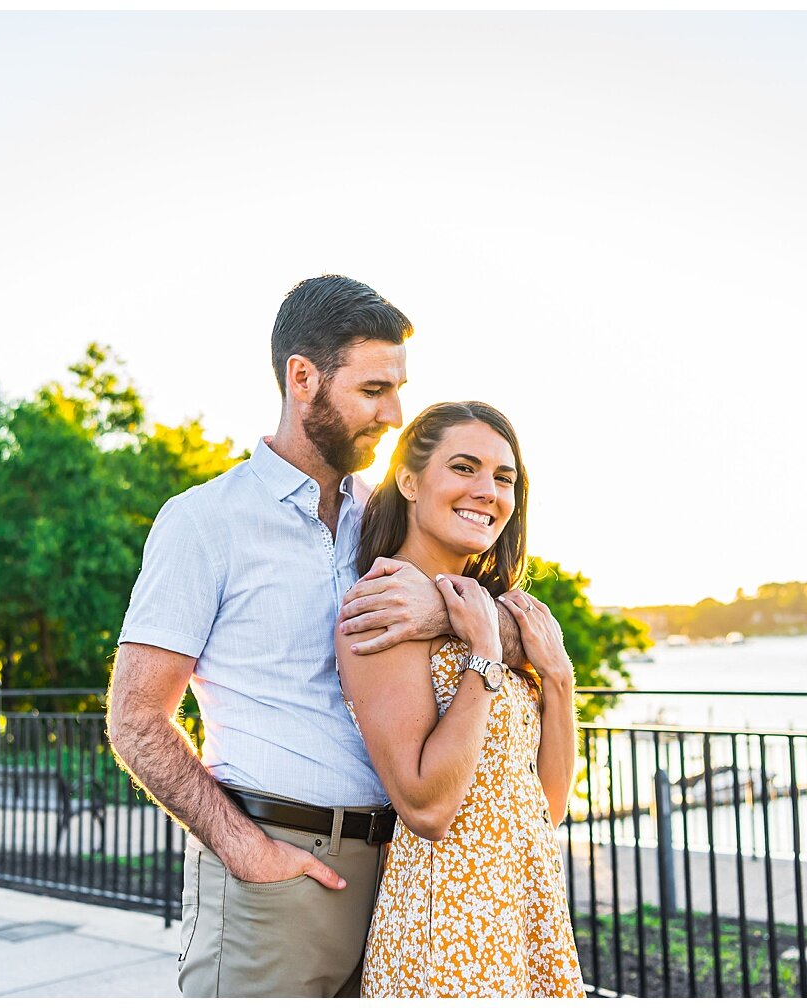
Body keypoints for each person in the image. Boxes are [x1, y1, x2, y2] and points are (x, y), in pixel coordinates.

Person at [106, 276, 531, 997]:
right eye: (373, 390)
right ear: (303, 378)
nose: (394, 414)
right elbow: (136, 718)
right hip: (280, 876)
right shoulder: (205, 521)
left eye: (398, 389)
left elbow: (508, 628)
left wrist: (436, 613)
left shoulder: (386, 522)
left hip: (401, 882)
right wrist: (248, 852)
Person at [337, 401, 586, 998]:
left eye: (504, 478)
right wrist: (483, 656)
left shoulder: (506, 613)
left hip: (524, 912)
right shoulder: (385, 609)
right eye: (465, 467)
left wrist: (559, 679)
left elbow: (544, 804)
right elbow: (426, 808)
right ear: (409, 479)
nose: (488, 491)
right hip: (446, 927)